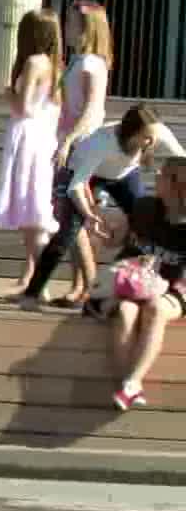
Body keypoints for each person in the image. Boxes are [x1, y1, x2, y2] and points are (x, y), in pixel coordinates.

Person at [19, 105, 185, 312]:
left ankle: (136, 284)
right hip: (84, 177)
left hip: (123, 175)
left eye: (153, 137)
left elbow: (182, 161)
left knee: (145, 215)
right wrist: (88, 214)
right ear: (130, 133)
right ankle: (31, 295)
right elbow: (76, 186)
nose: (151, 143)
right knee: (66, 235)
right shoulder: (101, 143)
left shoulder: (158, 132)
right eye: (145, 138)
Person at [0, 9, 64, 300]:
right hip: (42, 136)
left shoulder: (34, 62)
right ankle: (31, 277)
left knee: (31, 208)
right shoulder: (54, 64)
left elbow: (23, 107)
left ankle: (38, 281)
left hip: (28, 137)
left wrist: (8, 93)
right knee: (31, 208)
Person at [105, 157, 186, 409]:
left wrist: (160, 287)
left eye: (163, 175)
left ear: (177, 184)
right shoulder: (144, 207)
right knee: (125, 311)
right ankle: (129, 385)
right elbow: (114, 242)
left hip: (174, 287)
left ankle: (130, 383)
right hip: (133, 283)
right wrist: (102, 230)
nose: (156, 176)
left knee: (156, 309)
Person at [49, 0, 115, 307]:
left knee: (72, 219)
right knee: (68, 216)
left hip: (82, 145)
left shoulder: (91, 64)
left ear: (87, 28)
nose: (66, 28)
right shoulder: (78, 61)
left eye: (72, 23)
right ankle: (79, 285)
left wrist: (69, 141)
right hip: (70, 142)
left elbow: (91, 111)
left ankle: (89, 286)